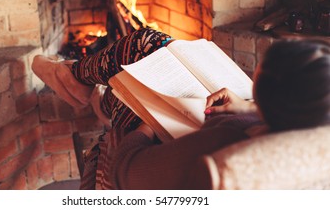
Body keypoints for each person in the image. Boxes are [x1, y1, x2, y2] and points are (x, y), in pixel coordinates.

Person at [32, 28, 330, 190]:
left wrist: (147, 122)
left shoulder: (225, 147)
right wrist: (248, 106)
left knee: (136, 57)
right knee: (150, 44)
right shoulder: (309, 129)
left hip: (150, 142)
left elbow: (126, 172)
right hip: (211, 118)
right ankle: (86, 88)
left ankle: (77, 81)